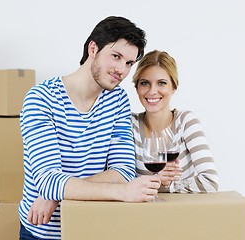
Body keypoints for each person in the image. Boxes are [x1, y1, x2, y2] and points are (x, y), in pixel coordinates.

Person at [19, 16, 161, 240]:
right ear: (93, 48)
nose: (121, 70)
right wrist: (122, 192)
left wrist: (57, 194)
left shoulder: (117, 101)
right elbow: (48, 180)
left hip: (92, 227)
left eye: (128, 63)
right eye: (116, 56)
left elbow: (123, 171)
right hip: (44, 232)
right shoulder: (41, 98)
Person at [131, 50, 219, 193]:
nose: (152, 91)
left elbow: (210, 181)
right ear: (137, 88)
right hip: (137, 214)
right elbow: (119, 183)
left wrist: (168, 185)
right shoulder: (129, 124)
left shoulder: (185, 121)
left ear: (173, 87)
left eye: (161, 83)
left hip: (179, 213)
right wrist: (157, 181)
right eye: (145, 83)